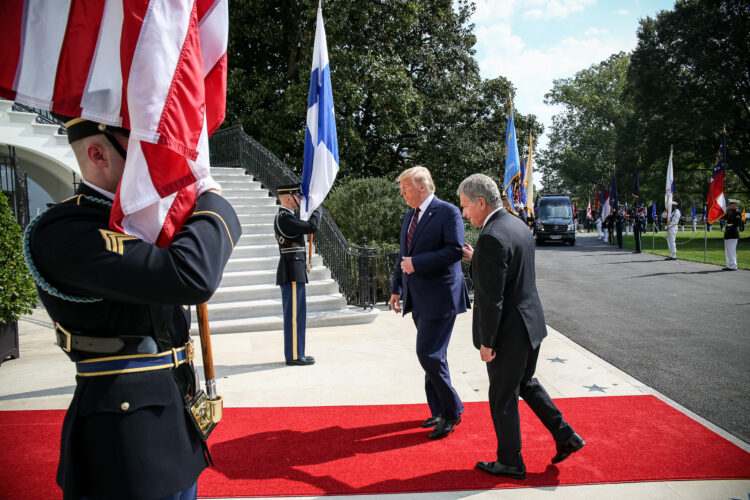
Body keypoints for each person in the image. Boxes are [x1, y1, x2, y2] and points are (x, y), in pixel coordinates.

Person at [23, 117, 242, 499]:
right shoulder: (66, 231)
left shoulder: (145, 222)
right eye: (148, 150)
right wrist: (208, 194)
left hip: (175, 420)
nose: (165, 159)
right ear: (98, 154)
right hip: (126, 443)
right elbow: (190, 276)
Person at [457, 174, 584, 479]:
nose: (463, 213)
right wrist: (479, 260)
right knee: (525, 383)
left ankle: (510, 461)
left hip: (508, 334)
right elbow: (510, 271)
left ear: (481, 202)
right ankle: (565, 435)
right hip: (531, 326)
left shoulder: (490, 237)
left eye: (465, 206)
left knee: (503, 396)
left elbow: (492, 299)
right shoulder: (516, 225)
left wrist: (487, 343)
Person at [389, 166, 469, 440]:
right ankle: (439, 410)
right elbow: (404, 256)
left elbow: (455, 250)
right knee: (434, 357)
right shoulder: (409, 216)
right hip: (417, 297)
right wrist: (396, 288)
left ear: (422, 186)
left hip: (441, 297)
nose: (402, 193)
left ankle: (452, 410)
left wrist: (417, 264)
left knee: (429, 354)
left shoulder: (448, 212)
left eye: (405, 188)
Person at [274, 183, 321, 366]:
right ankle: (293, 355)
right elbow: (311, 227)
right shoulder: (284, 218)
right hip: (291, 270)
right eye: (297, 197)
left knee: (298, 314)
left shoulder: (288, 217)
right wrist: (317, 207)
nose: (300, 200)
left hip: (295, 269)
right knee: (294, 315)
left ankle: (298, 351)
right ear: (288, 198)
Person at [723, 199, 742, 271]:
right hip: (727, 234)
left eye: (731, 204)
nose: (729, 205)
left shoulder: (737, 213)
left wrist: (728, 228)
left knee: (731, 251)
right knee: (727, 251)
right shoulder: (729, 213)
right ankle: (729, 265)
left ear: (735, 205)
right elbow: (725, 220)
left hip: (733, 234)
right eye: (729, 204)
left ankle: (733, 265)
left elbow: (736, 224)